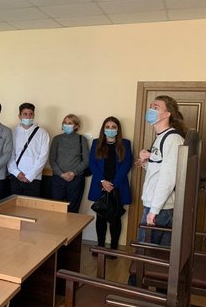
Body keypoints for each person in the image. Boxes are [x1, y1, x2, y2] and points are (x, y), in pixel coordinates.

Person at [136, 95, 187, 246]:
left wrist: (154, 210)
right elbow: (160, 168)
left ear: (167, 114)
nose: (151, 110)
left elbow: (168, 177)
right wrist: (146, 161)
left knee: (145, 251)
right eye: (151, 107)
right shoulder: (161, 137)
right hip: (156, 204)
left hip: (161, 207)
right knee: (157, 253)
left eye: (156, 107)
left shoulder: (172, 139)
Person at [88, 116, 133, 255]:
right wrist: (103, 181)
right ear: (103, 129)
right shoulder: (96, 143)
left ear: (118, 129)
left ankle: (114, 249)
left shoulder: (125, 143)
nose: (110, 129)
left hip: (117, 186)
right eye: (107, 127)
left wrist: (113, 184)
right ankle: (100, 246)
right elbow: (92, 164)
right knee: (100, 217)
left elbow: (127, 164)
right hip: (100, 185)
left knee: (115, 218)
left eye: (114, 127)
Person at [48, 114, 89, 213]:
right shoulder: (57, 139)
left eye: (70, 123)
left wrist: (73, 173)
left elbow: (86, 161)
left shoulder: (81, 139)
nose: (67, 125)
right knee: (56, 210)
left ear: (76, 126)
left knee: (72, 210)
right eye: (65, 123)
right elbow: (52, 159)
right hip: (58, 179)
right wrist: (61, 174)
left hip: (76, 179)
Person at [7, 102, 50, 197]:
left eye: (31, 114)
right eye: (25, 114)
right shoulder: (13, 132)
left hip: (34, 178)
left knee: (31, 205)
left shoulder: (42, 133)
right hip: (15, 177)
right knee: (14, 204)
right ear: (19, 116)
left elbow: (43, 157)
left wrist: (30, 176)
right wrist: (16, 173)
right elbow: (9, 154)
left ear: (34, 115)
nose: (28, 117)